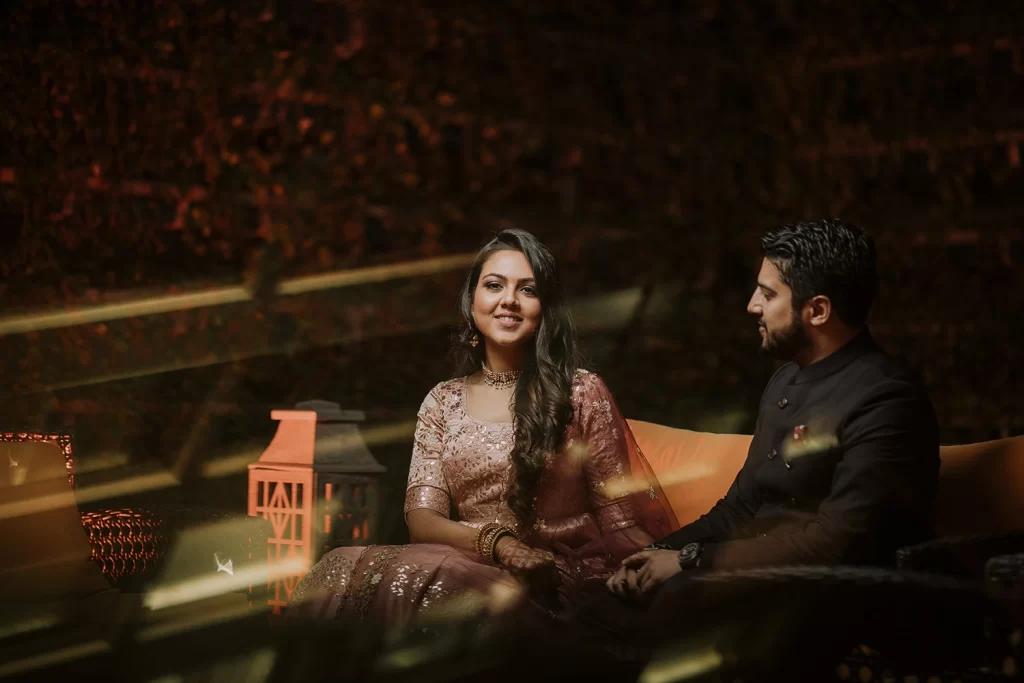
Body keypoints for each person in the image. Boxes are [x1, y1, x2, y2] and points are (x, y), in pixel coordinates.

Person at [288, 228, 676, 628]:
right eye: (494, 285)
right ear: (472, 301)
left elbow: (619, 520)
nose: (509, 299)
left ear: (545, 308)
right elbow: (422, 519)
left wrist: (671, 562)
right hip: (464, 564)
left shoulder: (579, 391)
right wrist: (499, 545)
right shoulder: (443, 400)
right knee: (338, 571)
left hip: (554, 573)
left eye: (528, 290)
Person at [606, 218, 940, 605]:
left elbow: (839, 543)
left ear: (817, 310)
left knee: (667, 602)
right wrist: (655, 553)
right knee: (606, 600)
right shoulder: (785, 382)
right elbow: (738, 510)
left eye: (768, 293)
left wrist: (689, 560)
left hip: (832, 600)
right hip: (756, 582)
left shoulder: (887, 400)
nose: (753, 305)